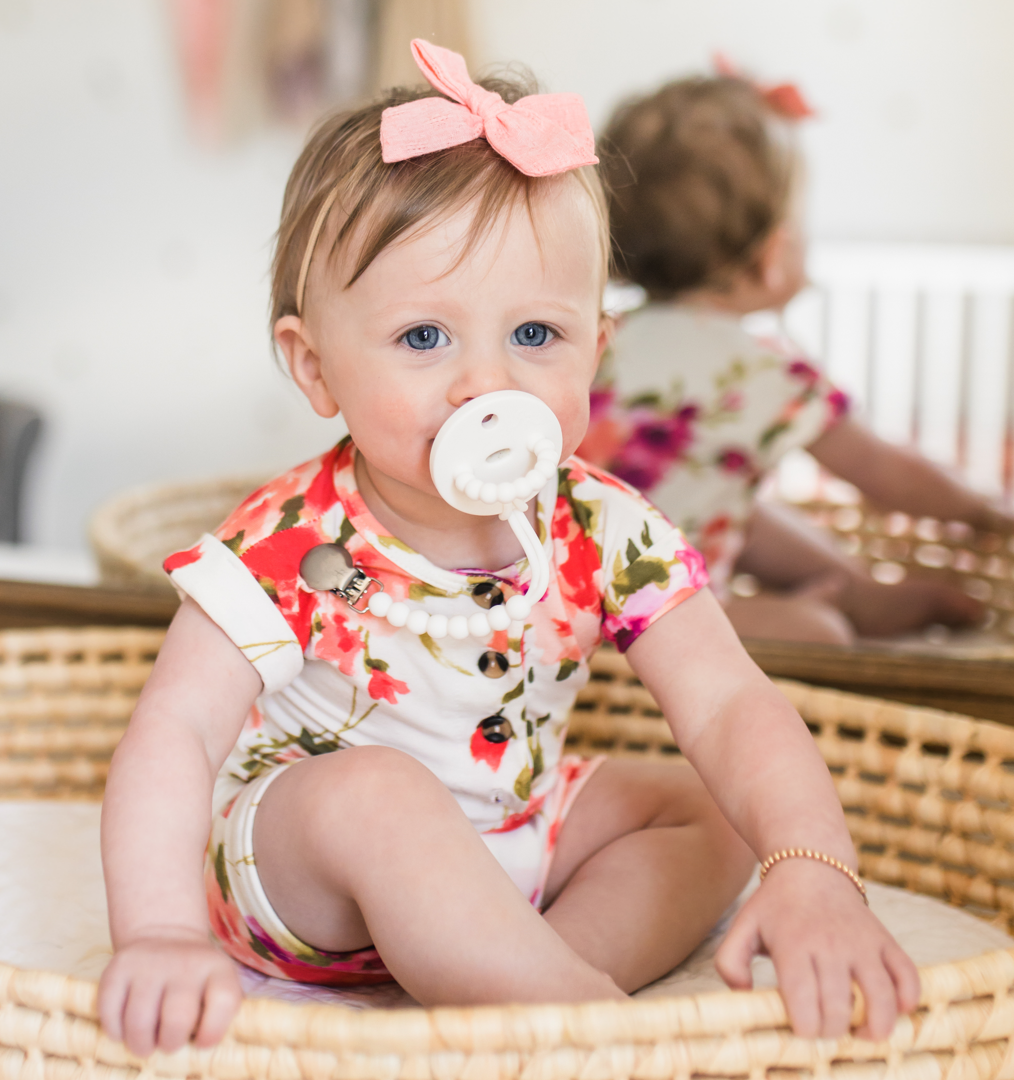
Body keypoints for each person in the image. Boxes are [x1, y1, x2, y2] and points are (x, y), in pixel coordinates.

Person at [98, 41, 919, 1059]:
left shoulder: (602, 525)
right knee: (377, 789)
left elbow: (728, 701)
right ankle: (584, 1022)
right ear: (318, 370)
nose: (486, 385)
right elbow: (172, 735)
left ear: (596, 355)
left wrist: (810, 867)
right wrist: (162, 934)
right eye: (423, 339)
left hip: (513, 838)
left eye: (535, 336)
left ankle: (532, 985)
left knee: (711, 809)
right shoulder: (292, 539)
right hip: (308, 881)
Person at [580, 73, 1008, 644]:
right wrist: (984, 509)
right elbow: (884, 470)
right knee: (821, 631)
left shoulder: (602, 336)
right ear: (772, 255)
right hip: (652, 622)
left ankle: (859, 592)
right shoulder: (760, 371)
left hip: (573, 590)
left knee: (739, 506)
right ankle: (848, 604)